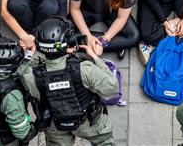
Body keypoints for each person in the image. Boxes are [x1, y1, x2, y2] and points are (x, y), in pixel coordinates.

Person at [19, 16, 119, 146]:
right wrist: (95, 58)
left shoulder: (32, 76)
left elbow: (22, 73)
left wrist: (30, 55)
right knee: (105, 142)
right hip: (88, 122)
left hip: (55, 125)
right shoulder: (85, 70)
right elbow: (112, 88)